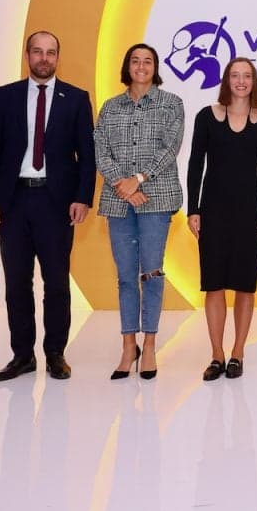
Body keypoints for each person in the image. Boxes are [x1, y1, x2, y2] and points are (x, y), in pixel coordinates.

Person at [0, 30, 95, 382]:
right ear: (27, 55)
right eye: (38, 51)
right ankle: (22, 355)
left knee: (56, 283)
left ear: (57, 57)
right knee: (17, 282)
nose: (44, 58)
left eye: (50, 52)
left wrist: (82, 197)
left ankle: (55, 353)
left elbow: (87, 155)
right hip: (13, 201)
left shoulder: (76, 98)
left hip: (55, 202)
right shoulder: (6, 96)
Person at [95, 43, 184, 380]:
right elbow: (100, 149)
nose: (141, 66)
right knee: (125, 276)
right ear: (127, 66)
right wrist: (123, 184)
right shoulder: (110, 107)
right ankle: (127, 345)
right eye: (135, 60)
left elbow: (170, 148)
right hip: (119, 200)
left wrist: (139, 179)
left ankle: (149, 345)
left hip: (156, 199)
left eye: (148, 61)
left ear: (155, 67)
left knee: (152, 273)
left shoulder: (171, 104)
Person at [187, 57, 257, 381]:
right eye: (235, 76)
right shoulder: (206, 116)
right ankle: (217, 354)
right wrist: (193, 209)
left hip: (249, 211)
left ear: (254, 82)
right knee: (213, 285)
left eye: (247, 76)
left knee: (244, 285)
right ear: (226, 80)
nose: (241, 81)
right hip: (213, 210)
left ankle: (238, 352)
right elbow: (195, 163)